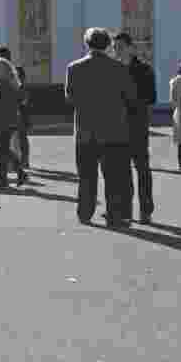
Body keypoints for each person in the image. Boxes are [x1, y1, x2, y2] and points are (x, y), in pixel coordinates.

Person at [65, 28, 136, 228]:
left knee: (86, 176)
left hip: (85, 131)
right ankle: (114, 215)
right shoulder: (119, 68)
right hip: (114, 131)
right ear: (107, 45)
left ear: (87, 44)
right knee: (113, 177)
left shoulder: (74, 68)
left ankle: (85, 213)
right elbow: (130, 97)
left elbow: (70, 98)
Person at [111, 32, 156, 224]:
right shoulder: (111, 70)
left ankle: (146, 210)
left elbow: (151, 98)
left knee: (142, 169)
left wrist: (130, 101)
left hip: (137, 126)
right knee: (122, 171)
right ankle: (125, 210)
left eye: (120, 47)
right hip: (117, 127)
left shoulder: (144, 69)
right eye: (114, 48)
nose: (117, 51)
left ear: (131, 48)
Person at [0, 55, 22, 188]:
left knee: (1, 150)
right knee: (4, 149)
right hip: (8, 120)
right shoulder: (11, 83)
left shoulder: (3, 84)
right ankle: (19, 173)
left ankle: (3, 179)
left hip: (1, 120)